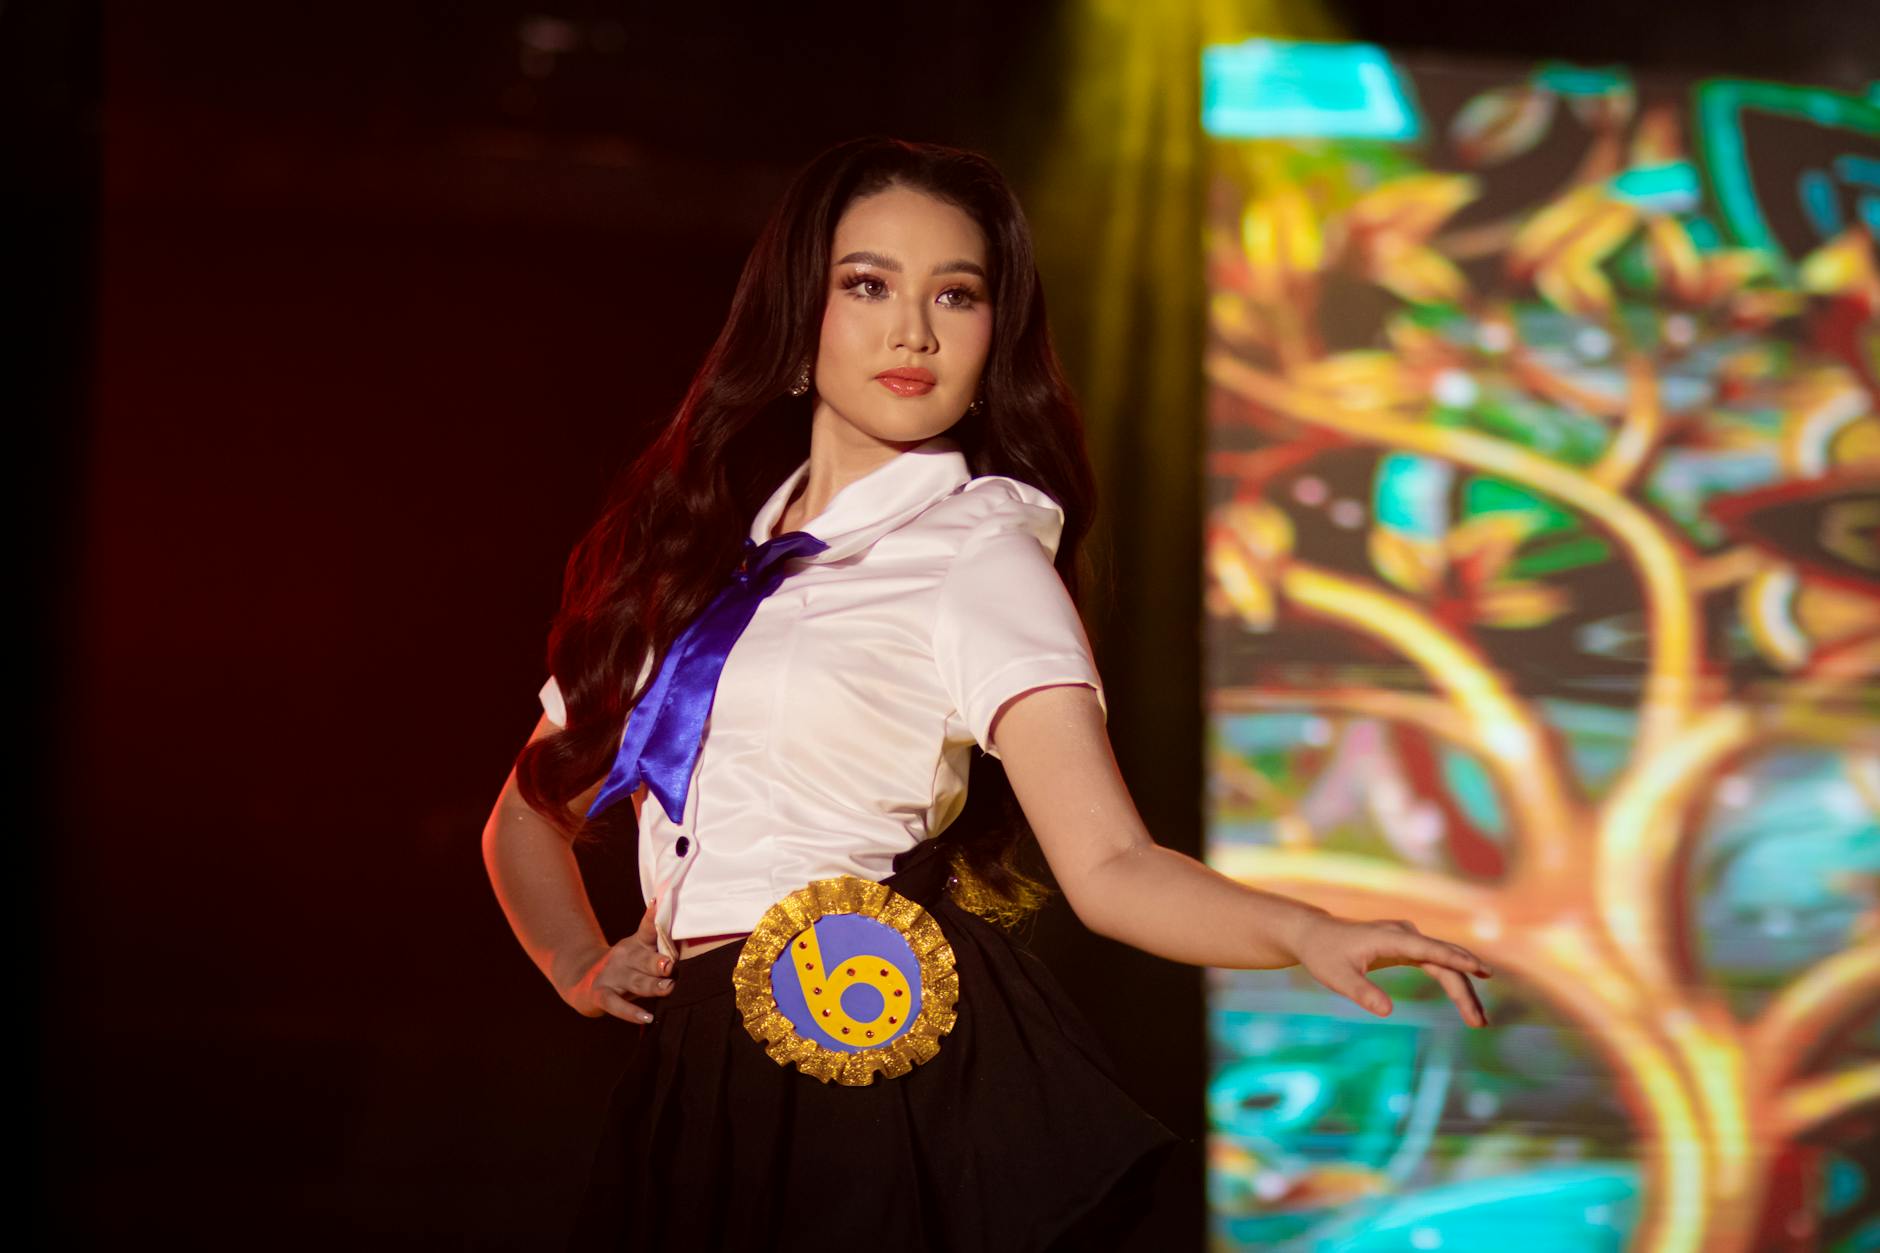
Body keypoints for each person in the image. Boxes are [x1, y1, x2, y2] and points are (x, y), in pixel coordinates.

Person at [481, 135, 1493, 1252]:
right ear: (796, 319)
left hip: (857, 1051)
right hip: (694, 1065)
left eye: (955, 295)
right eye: (868, 285)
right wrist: (577, 963)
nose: (914, 331)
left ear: (992, 335)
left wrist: (1306, 929)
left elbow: (1111, 864)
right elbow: (527, 812)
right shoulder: (694, 565)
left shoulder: (979, 552)